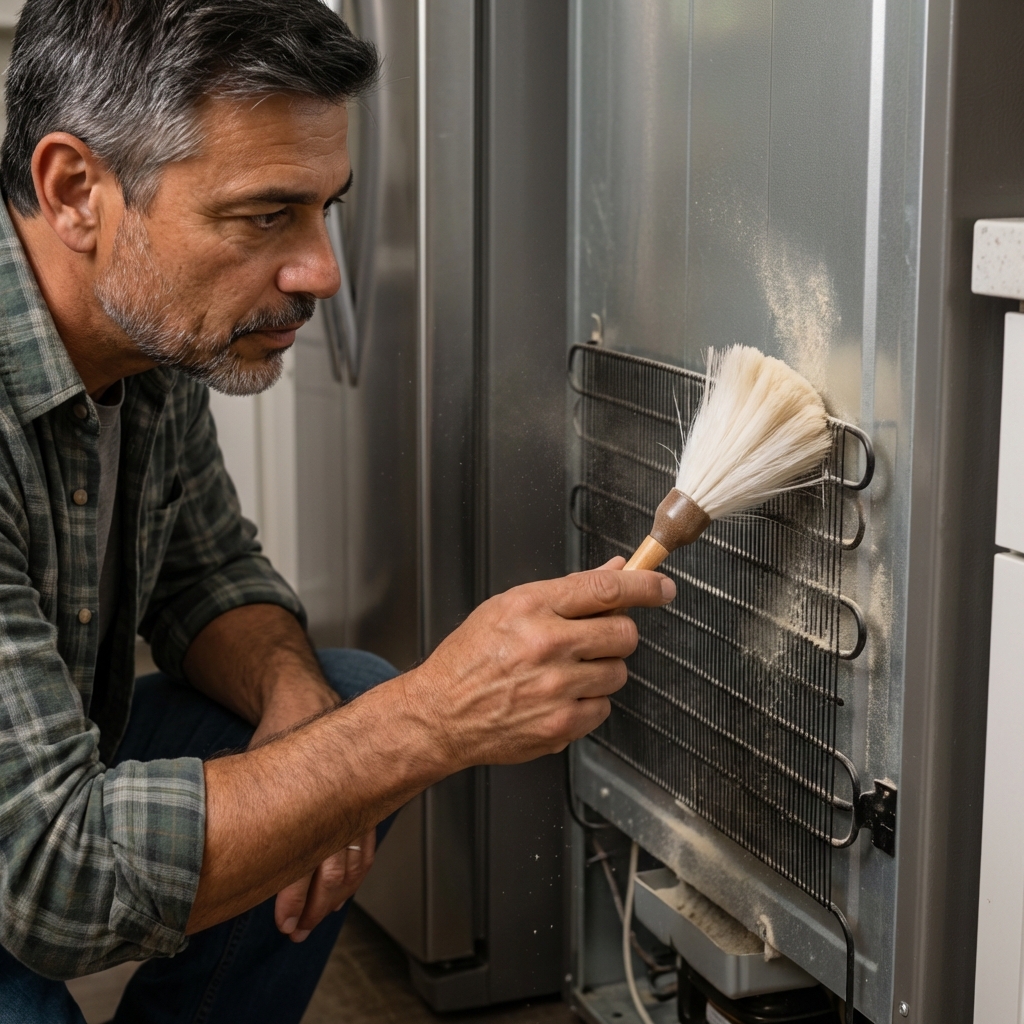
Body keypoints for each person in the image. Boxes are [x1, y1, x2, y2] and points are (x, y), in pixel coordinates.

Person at [0, 2, 676, 1022]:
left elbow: (207, 573)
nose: (320, 269)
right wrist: (425, 723)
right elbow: (53, 880)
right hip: (28, 850)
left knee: (342, 695)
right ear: (76, 192)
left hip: (38, 795)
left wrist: (310, 717)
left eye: (325, 209)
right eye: (264, 215)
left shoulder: (152, 325)